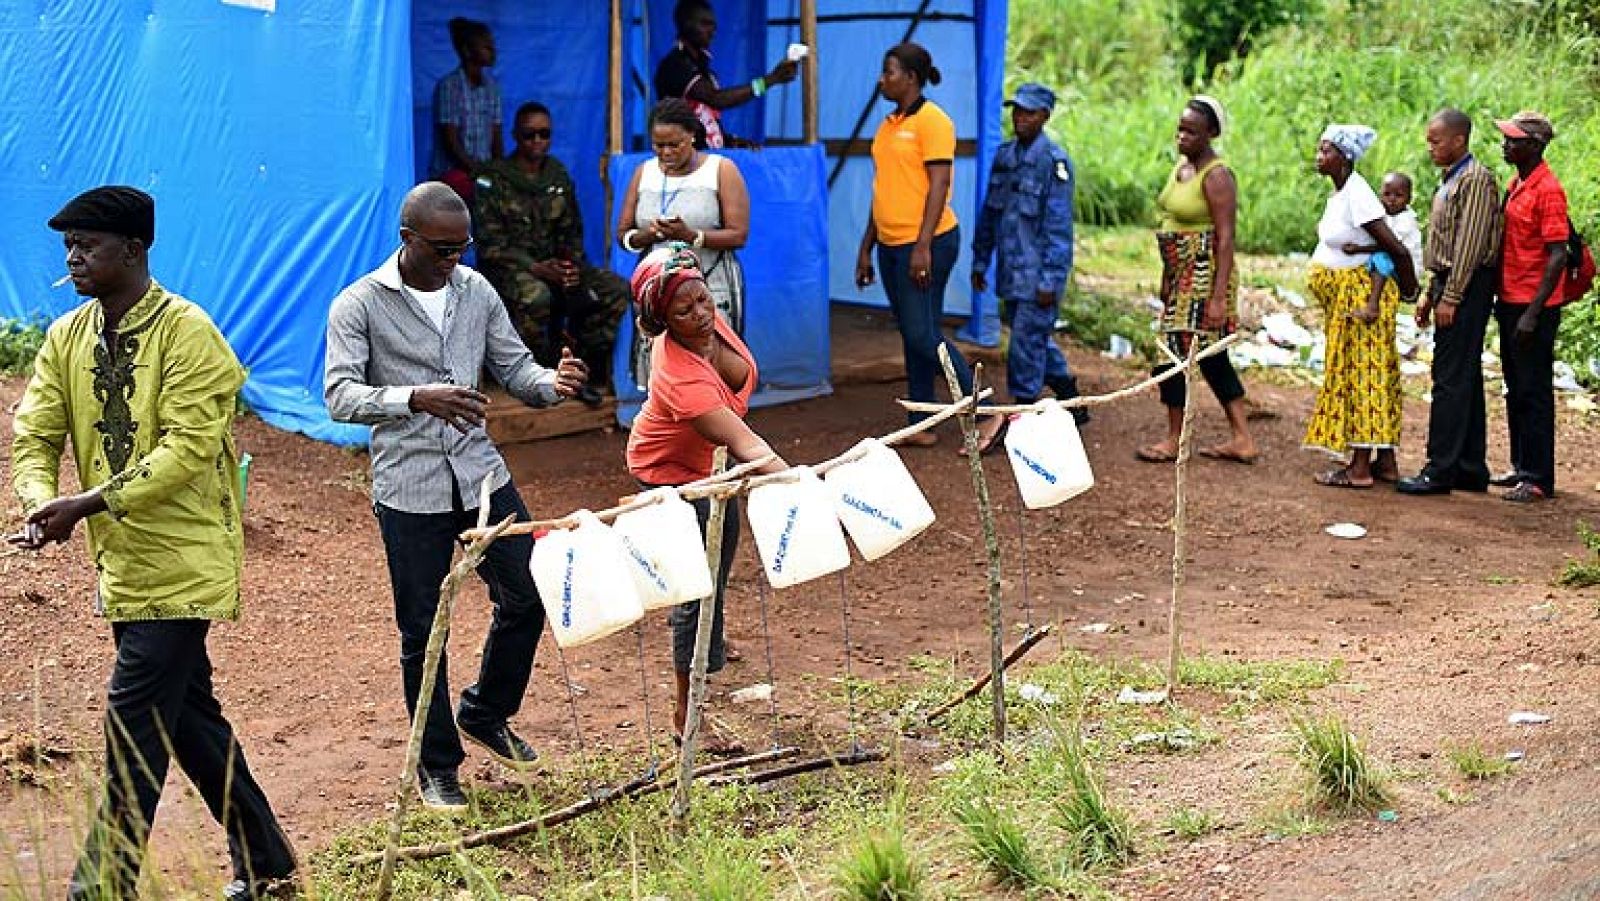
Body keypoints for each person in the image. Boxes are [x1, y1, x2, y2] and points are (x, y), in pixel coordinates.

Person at [10, 186, 296, 900]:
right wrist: (41, 500)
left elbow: (189, 447)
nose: (73, 257)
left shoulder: (189, 332)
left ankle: (101, 884)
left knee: (133, 718)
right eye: (68, 245)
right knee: (191, 716)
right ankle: (269, 862)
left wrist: (86, 501)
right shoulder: (65, 337)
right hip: (122, 562)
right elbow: (34, 435)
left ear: (135, 250)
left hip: (187, 556)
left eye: (89, 245)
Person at [325, 183, 588, 811]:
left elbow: (516, 369)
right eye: (441, 249)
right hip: (408, 488)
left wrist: (553, 383)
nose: (453, 259)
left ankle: (485, 711)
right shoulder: (358, 305)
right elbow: (338, 396)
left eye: (461, 248)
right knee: (423, 631)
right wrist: (415, 397)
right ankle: (437, 765)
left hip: (480, 478)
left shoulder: (476, 292)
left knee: (528, 595)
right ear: (406, 239)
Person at [624, 244, 788, 753]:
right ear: (663, 320)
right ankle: (685, 712)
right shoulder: (677, 373)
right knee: (693, 590)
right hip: (669, 474)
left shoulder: (712, 325)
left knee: (717, 569)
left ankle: (709, 643)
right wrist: (803, 486)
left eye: (703, 300)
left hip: (709, 466)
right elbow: (746, 444)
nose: (700, 313)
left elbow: (736, 435)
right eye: (684, 310)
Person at [855, 42, 976, 448]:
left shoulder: (933, 122)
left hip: (928, 243)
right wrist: (866, 247)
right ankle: (922, 420)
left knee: (922, 332)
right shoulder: (888, 124)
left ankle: (984, 410)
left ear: (910, 77)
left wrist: (922, 246)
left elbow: (938, 185)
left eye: (888, 72)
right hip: (891, 245)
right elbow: (883, 190)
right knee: (915, 331)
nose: (881, 79)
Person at [476, 101, 629, 407]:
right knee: (537, 297)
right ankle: (532, 374)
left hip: (555, 265)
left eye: (544, 134)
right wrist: (536, 268)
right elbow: (489, 244)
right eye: (529, 134)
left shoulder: (557, 176)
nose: (537, 141)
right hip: (512, 267)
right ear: (515, 136)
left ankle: (578, 367)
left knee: (616, 290)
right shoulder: (493, 179)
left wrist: (569, 266)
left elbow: (572, 231)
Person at [1135, 96, 1257, 465]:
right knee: (1211, 355)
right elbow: (1171, 225)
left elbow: (1225, 238)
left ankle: (1174, 439)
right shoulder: (1181, 169)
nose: (1182, 137)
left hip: (1204, 274)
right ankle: (1242, 437)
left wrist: (1218, 298)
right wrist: (1166, 276)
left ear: (1211, 134)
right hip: (1180, 272)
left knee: (1174, 351)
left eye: (1192, 131)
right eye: (1180, 129)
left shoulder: (1217, 176)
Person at [970, 81, 1086, 453]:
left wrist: (1051, 279)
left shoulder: (1054, 163)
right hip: (1010, 273)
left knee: (1024, 345)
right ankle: (1070, 398)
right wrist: (980, 259)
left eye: (1029, 112)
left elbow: (1058, 228)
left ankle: (1017, 419)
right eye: (1016, 111)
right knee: (1031, 339)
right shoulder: (1006, 157)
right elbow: (990, 213)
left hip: (1038, 277)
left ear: (1044, 117)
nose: (1020, 118)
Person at [1302, 125, 1420, 489]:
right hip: (1347, 297)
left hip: (1361, 298)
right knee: (1371, 375)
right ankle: (1384, 461)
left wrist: (1411, 289)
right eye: (1319, 150)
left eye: (1327, 151)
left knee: (1360, 379)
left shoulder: (1359, 195)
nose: (1319, 157)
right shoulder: (1342, 194)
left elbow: (1396, 248)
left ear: (1345, 157)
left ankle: (1358, 468)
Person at [1398, 109, 1502, 496]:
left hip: (1467, 285)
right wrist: (1431, 293)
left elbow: (1469, 246)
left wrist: (1452, 296)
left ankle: (1439, 468)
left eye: (1436, 141)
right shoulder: (1451, 178)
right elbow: (1444, 244)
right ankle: (1470, 467)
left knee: (1449, 379)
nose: (1430, 148)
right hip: (1448, 282)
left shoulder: (1475, 180)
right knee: (1464, 376)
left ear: (1459, 141)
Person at [618, 99, 751, 384]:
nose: (665, 153)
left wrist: (691, 236)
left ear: (692, 134)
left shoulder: (721, 170)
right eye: (658, 145)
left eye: (674, 144)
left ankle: (715, 423)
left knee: (709, 367)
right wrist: (650, 236)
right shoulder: (644, 173)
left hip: (710, 285)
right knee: (664, 372)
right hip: (660, 295)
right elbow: (623, 236)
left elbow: (738, 235)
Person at [1491, 111, 1570, 502]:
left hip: (1531, 305)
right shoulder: (1517, 182)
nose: (1506, 145)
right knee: (1515, 387)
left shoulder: (1548, 190)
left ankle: (1539, 478)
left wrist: (1533, 313)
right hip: (1511, 299)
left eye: (1513, 140)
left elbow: (1557, 255)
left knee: (1534, 390)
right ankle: (1522, 467)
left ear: (1534, 146)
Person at [654, 0, 798, 149]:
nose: (712, 31)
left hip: (705, 161)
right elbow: (716, 99)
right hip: (685, 166)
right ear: (686, 25)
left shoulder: (705, 70)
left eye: (713, 25)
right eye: (705, 24)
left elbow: (706, 122)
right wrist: (770, 80)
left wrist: (729, 141)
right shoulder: (675, 65)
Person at [431, 17, 503, 201]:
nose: (493, 50)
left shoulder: (492, 89)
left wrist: (499, 171)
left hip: (482, 174)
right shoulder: (449, 86)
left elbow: (496, 138)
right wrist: (479, 172)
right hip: (455, 174)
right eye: (486, 46)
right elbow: (451, 144)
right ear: (467, 51)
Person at [1341, 172, 1423, 320]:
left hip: (1406, 268)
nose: (1391, 200)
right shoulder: (1383, 215)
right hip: (1392, 261)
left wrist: (1358, 249)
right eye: (1387, 194)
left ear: (1409, 199)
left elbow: (1390, 246)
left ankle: (1372, 306)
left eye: (1398, 196)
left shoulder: (1406, 220)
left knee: (1380, 257)